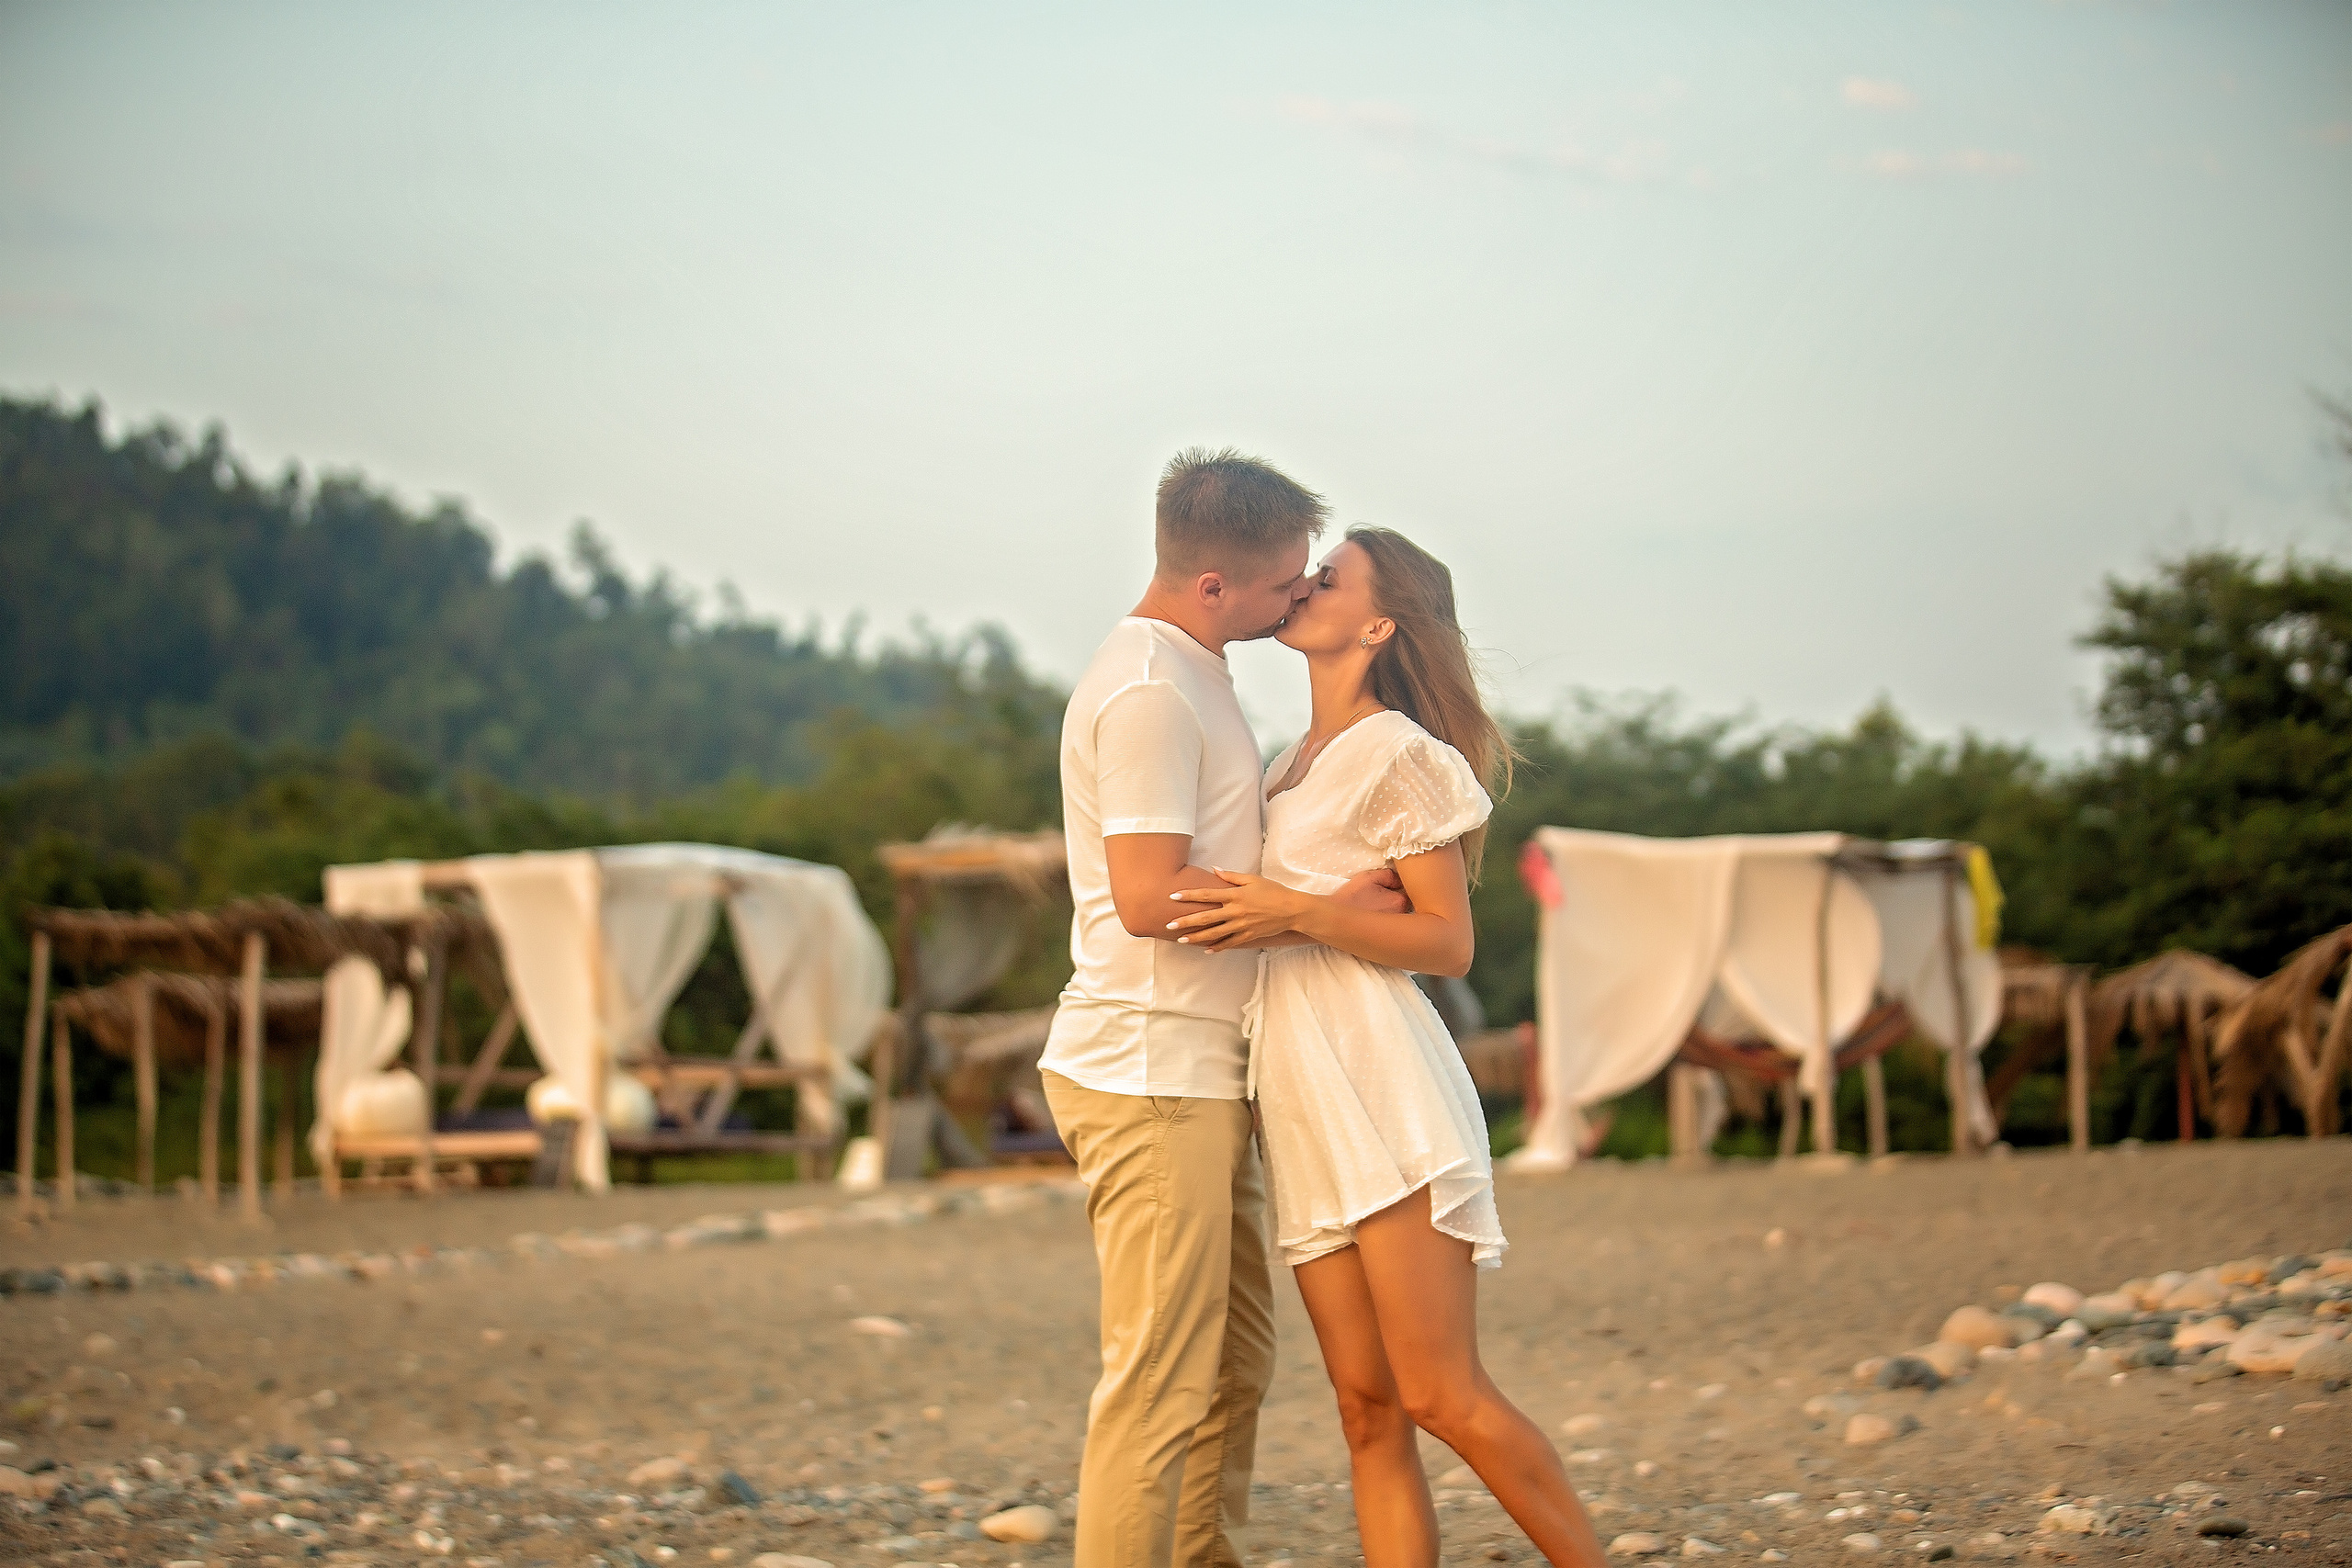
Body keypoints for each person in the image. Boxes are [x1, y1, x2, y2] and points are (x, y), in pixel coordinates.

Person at [1167, 527, 1609, 1568]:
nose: (1301, 586)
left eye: (1328, 579)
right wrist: (1301, 909)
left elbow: (1446, 941)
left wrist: (1301, 910)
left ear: (1375, 624)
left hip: (1382, 1086)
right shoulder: (1286, 766)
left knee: (1440, 1392)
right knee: (1367, 1411)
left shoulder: (1401, 753)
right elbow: (1286, 915)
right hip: (1303, 1102)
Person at [1040, 449, 1408, 1568]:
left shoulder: (1192, 670)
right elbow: (1147, 897)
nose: (1299, 593)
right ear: (1212, 587)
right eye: (1285, 579)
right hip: (1147, 1072)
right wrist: (1316, 910)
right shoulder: (1151, 691)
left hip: (1200, 1069)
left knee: (1232, 1360)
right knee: (1158, 1378)